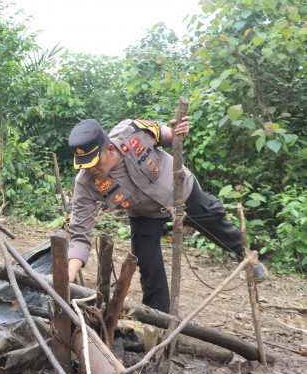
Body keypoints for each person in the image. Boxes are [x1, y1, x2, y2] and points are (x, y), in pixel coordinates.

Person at [66, 117, 267, 313]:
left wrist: (174, 133)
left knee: (215, 220)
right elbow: (80, 234)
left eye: (94, 162)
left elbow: (165, 135)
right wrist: (68, 275)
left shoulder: (131, 132)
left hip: (180, 191)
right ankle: (159, 318)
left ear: (110, 149)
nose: (90, 169)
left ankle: (246, 256)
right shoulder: (85, 184)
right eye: (83, 164)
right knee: (146, 261)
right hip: (144, 214)